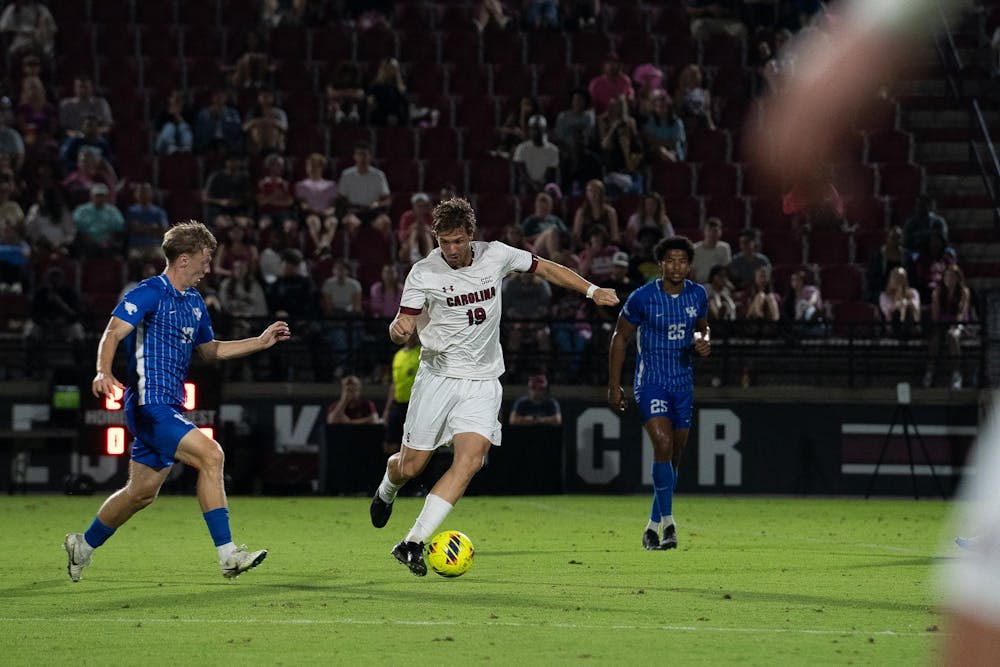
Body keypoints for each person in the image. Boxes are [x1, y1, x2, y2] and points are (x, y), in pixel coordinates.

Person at [368, 197, 619, 575]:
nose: (451, 250)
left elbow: (545, 268)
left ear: (472, 235)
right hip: (438, 377)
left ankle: (412, 542)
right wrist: (397, 329)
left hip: (484, 381)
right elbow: (401, 324)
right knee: (412, 466)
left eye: (457, 241)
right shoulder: (423, 273)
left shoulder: (496, 255)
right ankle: (388, 487)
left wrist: (591, 290)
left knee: (470, 461)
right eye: (443, 242)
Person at [64, 221, 291, 582]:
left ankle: (83, 545)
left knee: (141, 494)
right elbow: (113, 331)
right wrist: (101, 372)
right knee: (212, 454)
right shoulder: (150, 292)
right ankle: (228, 554)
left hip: (169, 406)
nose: (208, 268)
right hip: (149, 406)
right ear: (184, 259)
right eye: (205, 259)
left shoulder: (195, 303)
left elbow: (211, 351)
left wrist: (260, 342)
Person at [607, 236, 710, 551]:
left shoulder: (698, 294)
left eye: (682, 260)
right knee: (662, 444)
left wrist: (704, 341)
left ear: (689, 265)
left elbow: (702, 327)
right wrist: (614, 385)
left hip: (682, 383)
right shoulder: (642, 298)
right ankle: (670, 527)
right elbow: (620, 337)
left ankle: (651, 527)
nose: (676, 265)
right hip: (651, 381)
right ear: (661, 264)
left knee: (674, 457)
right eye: (670, 260)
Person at [924, 263, 972, 390]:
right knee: (935, 339)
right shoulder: (938, 292)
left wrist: (955, 324)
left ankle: (957, 373)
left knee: (952, 335)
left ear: (958, 278)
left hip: (959, 324)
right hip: (942, 323)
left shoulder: (964, 292)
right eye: (947, 276)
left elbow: (961, 313)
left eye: (953, 277)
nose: (949, 279)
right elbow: (935, 315)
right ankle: (930, 371)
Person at [382, 332, 421, 456]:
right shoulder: (398, 355)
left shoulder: (422, 352)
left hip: (415, 406)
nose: (411, 336)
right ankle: (391, 474)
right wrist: (388, 409)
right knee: (390, 445)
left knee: (413, 446)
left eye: (414, 333)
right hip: (397, 404)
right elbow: (394, 384)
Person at [691, 217, 731, 285]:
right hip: (700, 285)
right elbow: (692, 273)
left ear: (720, 232)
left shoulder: (724, 248)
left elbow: (726, 271)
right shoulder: (695, 248)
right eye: (709, 230)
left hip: (718, 285)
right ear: (704, 231)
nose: (712, 234)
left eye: (715, 231)